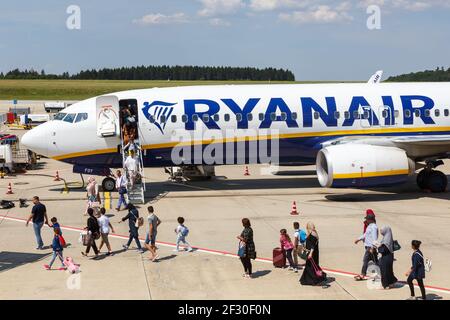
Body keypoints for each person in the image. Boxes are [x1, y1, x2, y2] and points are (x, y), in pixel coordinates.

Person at [300, 222, 328, 286]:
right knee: (311, 265)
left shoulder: (313, 233)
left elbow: (313, 245)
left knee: (311, 266)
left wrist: (310, 254)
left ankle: (316, 279)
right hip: (311, 252)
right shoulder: (312, 232)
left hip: (312, 253)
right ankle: (310, 279)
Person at [354, 213, 378, 281]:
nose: (366, 220)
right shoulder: (370, 226)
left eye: (367, 219)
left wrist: (373, 247)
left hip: (370, 247)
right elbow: (365, 234)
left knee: (365, 260)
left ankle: (362, 274)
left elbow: (374, 238)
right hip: (369, 247)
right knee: (376, 262)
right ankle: (383, 273)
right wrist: (359, 239)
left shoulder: (373, 227)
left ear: (370, 219)